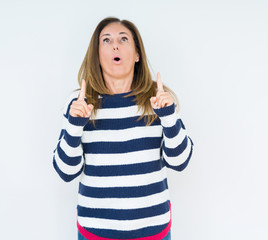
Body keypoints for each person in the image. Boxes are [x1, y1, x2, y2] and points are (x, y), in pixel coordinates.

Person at [52, 17, 194, 240]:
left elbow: (180, 161)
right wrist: (74, 125)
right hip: (95, 231)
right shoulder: (79, 103)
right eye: (106, 40)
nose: (115, 45)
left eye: (123, 39)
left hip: (153, 230)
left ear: (137, 54)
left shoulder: (158, 100)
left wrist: (168, 116)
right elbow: (65, 171)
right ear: (97, 54)